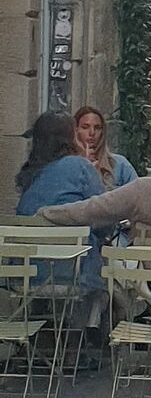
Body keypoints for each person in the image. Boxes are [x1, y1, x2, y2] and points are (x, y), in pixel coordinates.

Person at [17, 112, 107, 296]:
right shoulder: (79, 166)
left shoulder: (29, 174)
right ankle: (91, 325)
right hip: (74, 276)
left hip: (24, 278)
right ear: (71, 138)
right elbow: (103, 217)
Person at [74, 107, 139, 191]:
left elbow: (137, 195)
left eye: (97, 128)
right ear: (76, 130)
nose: (92, 133)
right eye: (85, 127)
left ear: (103, 131)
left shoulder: (120, 164)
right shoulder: (67, 165)